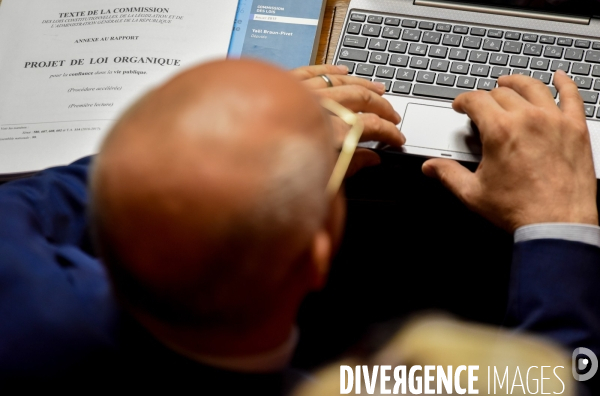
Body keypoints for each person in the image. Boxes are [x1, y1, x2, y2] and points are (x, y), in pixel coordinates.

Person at [0, 59, 598, 393]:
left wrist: (217, 146)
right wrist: (560, 219)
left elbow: (36, 199)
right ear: (318, 257)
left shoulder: (16, 281)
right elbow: (560, 377)